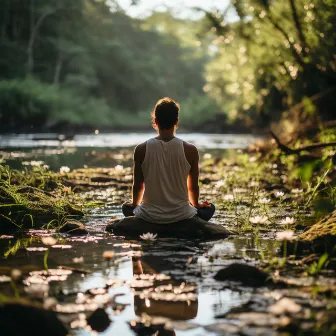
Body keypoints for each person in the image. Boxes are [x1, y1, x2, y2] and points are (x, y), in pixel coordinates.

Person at [122, 97, 215, 224]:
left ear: (155, 121)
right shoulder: (190, 150)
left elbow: (138, 186)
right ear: (176, 122)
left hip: (149, 216)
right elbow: (192, 187)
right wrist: (197, 205)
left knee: (125, 207)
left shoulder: (141, 149)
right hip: (182, 215)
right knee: (210, 208)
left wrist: (134, 204)